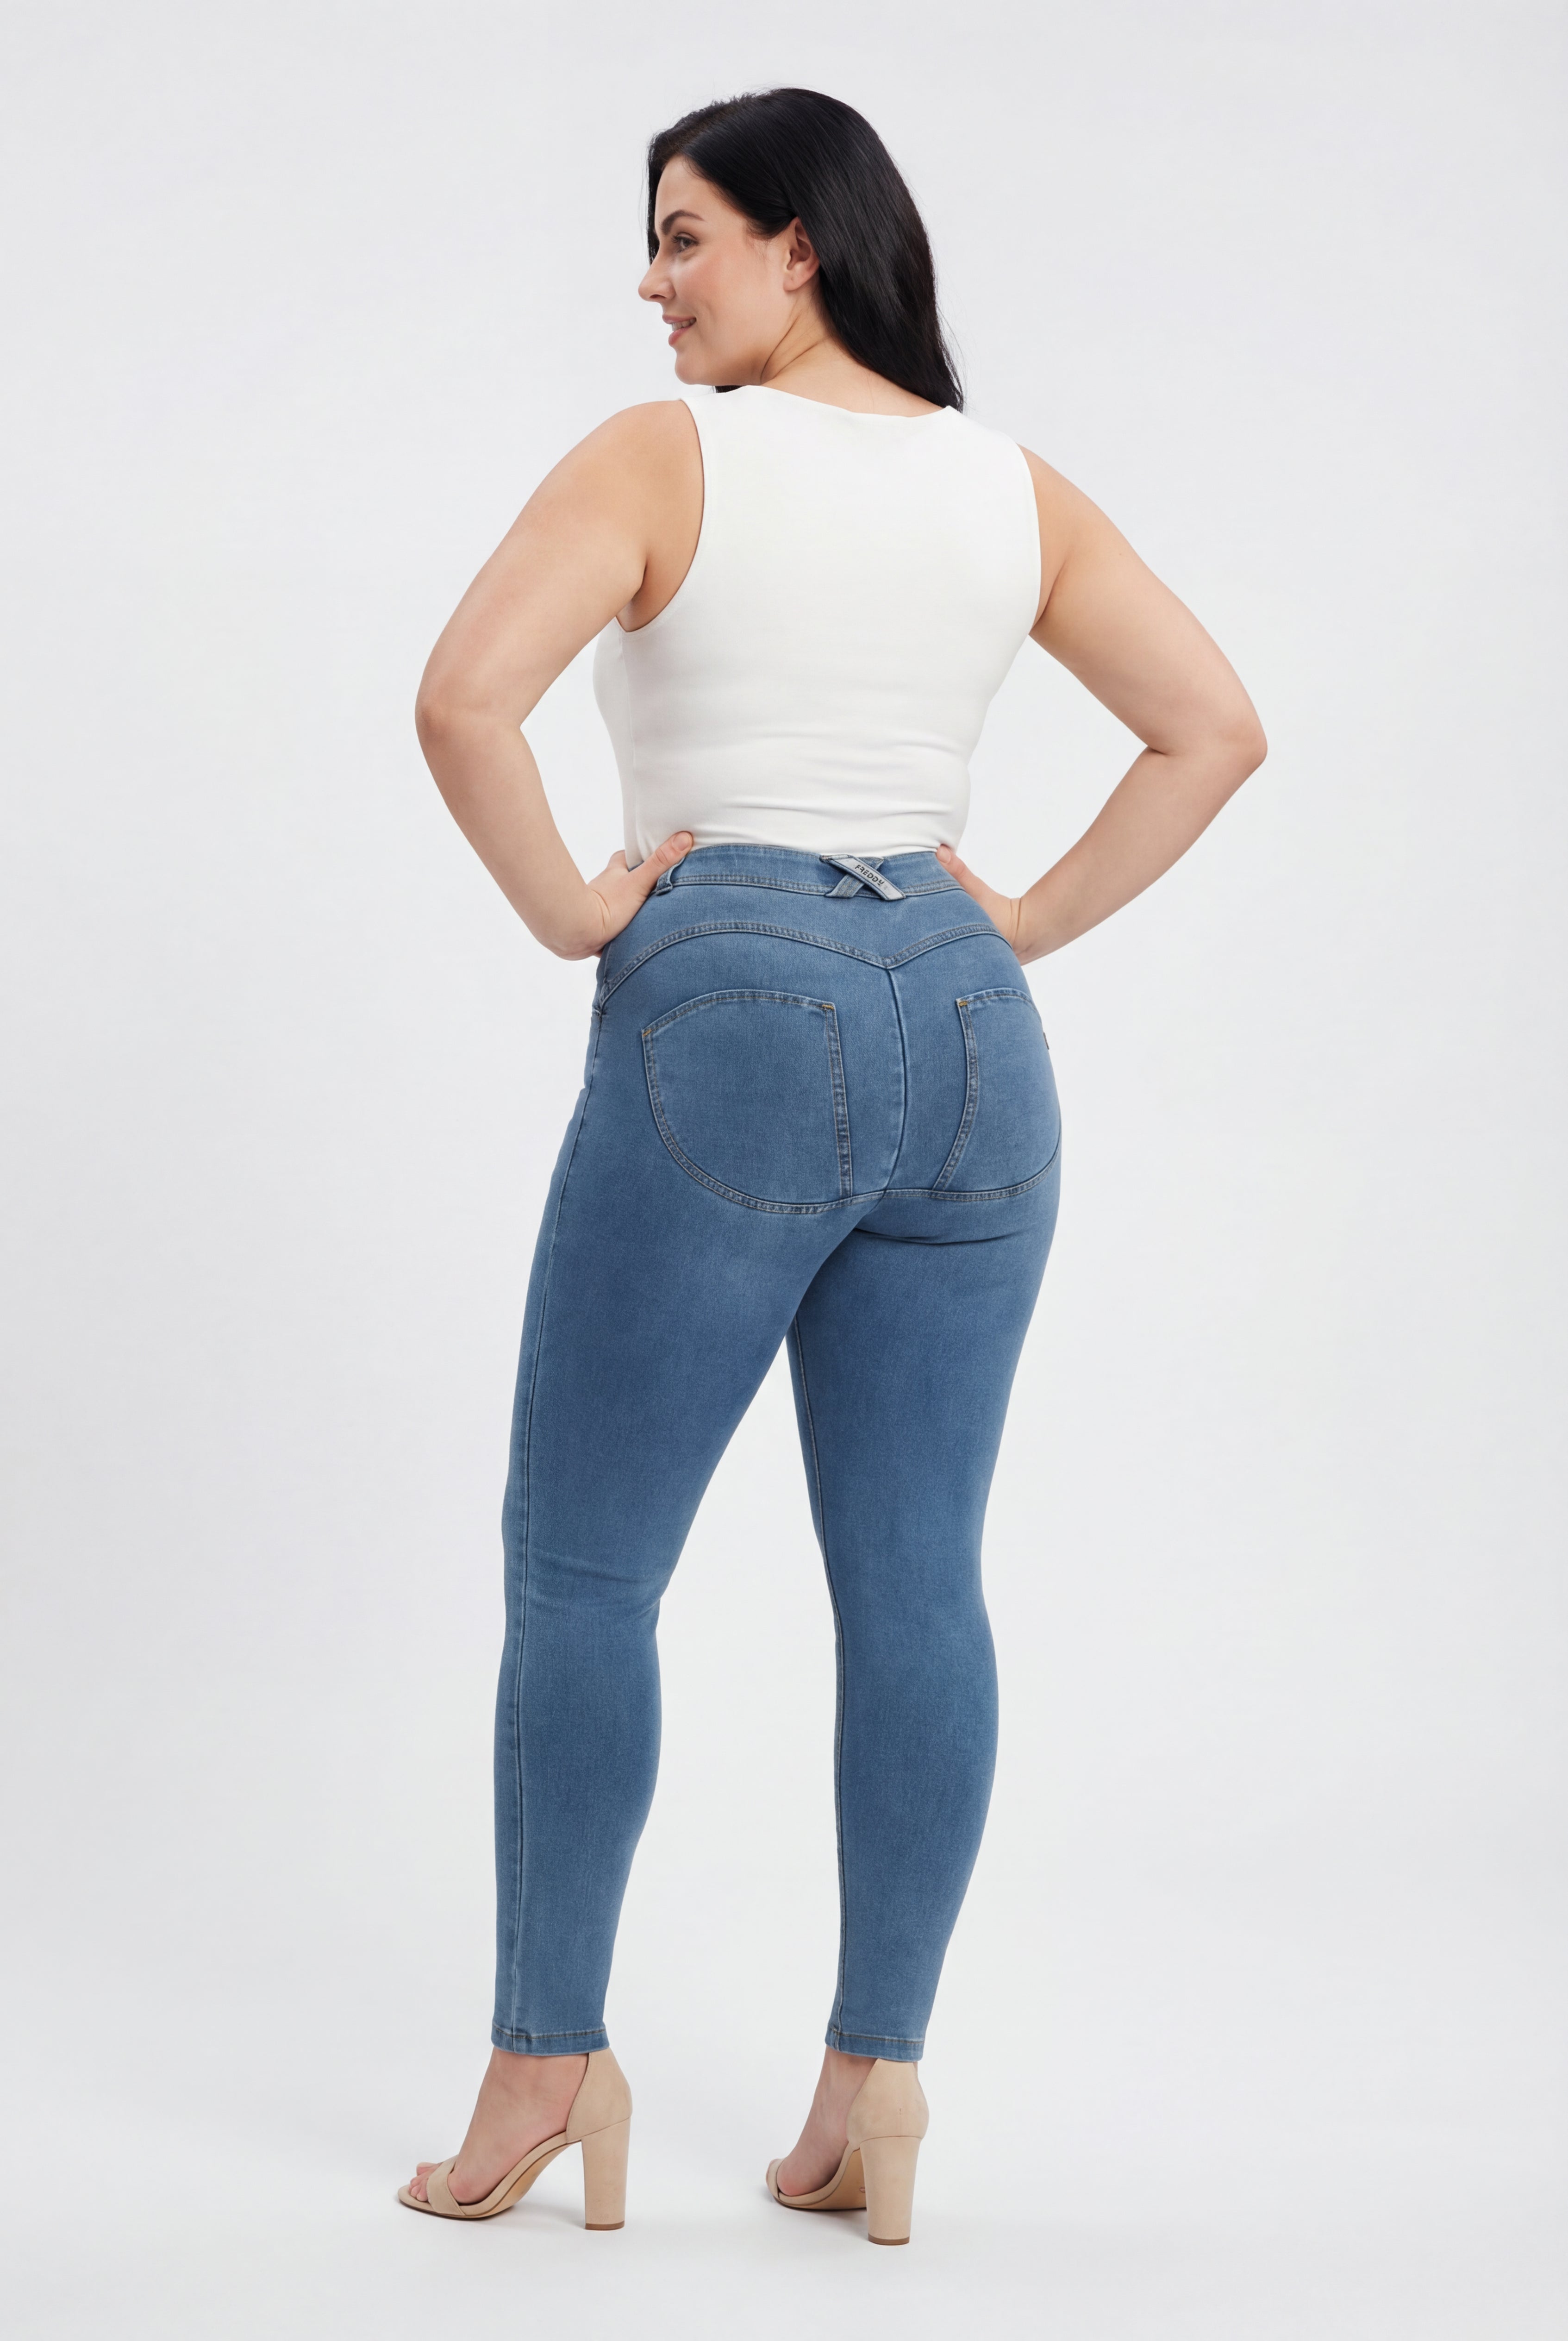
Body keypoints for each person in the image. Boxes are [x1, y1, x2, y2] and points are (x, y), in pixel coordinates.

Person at [399, 87, 1265, 2245]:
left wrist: (575, 911)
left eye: (685, 233)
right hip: (972, 1034)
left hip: (733, 1008)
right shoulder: (1009, 486)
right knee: (919, 1580)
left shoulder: (662, 458)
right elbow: (1215, 726)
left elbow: (461, 701)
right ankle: (875, 2079)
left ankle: (542, 2063)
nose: (652, 280)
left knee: (585, 1573)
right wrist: (1017, 923)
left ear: (805, 243)